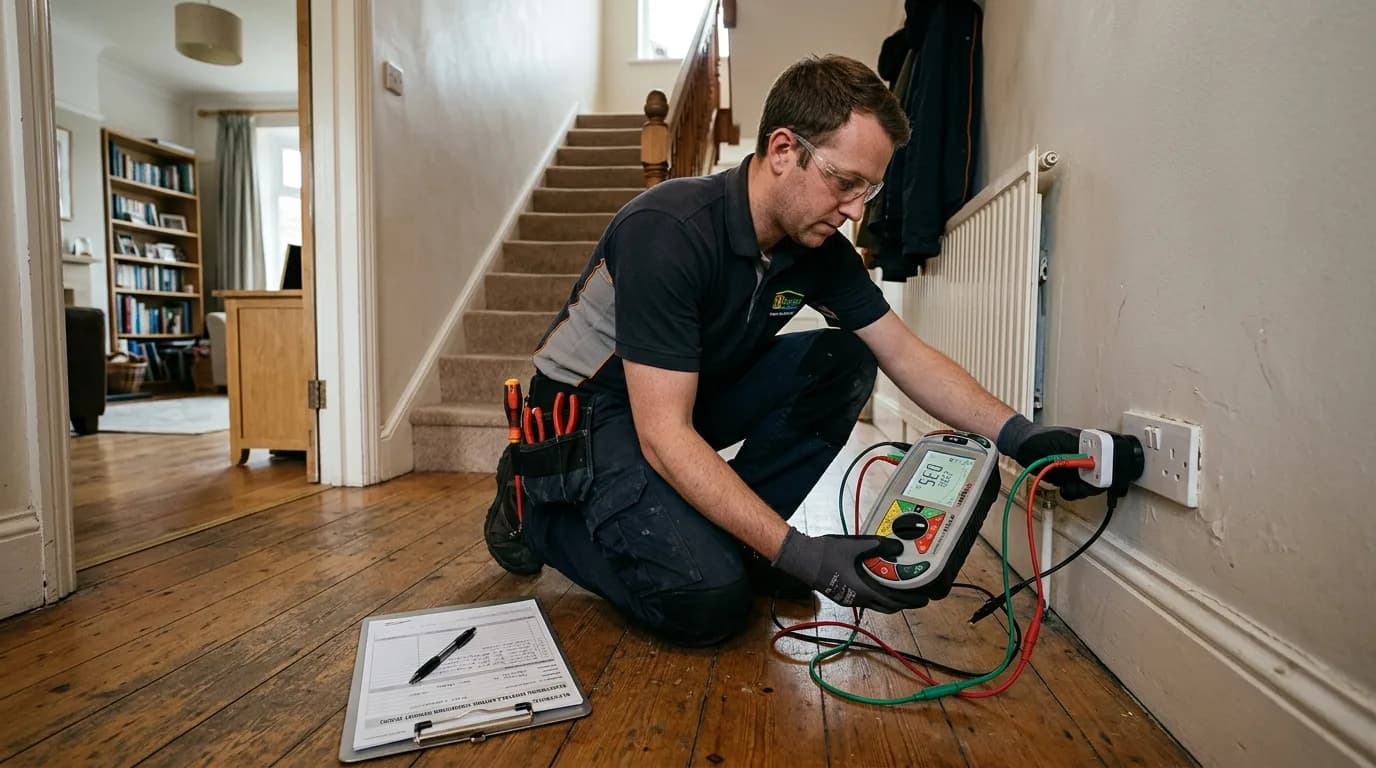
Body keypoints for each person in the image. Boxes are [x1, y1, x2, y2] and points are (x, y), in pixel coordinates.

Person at [488, 54, 1104, 647]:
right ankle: (534, 510)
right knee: (705, 603)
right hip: (590, 414)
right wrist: (802, 554)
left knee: (846, 360)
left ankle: (741, 544)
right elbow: (662, 435)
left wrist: (1020, 436)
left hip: (684, 390)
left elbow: (904, 354)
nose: (857, 211)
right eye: (845, 183)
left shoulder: (818, 249)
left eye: (870, 190)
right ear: (783, 150)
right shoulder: (667, 232)